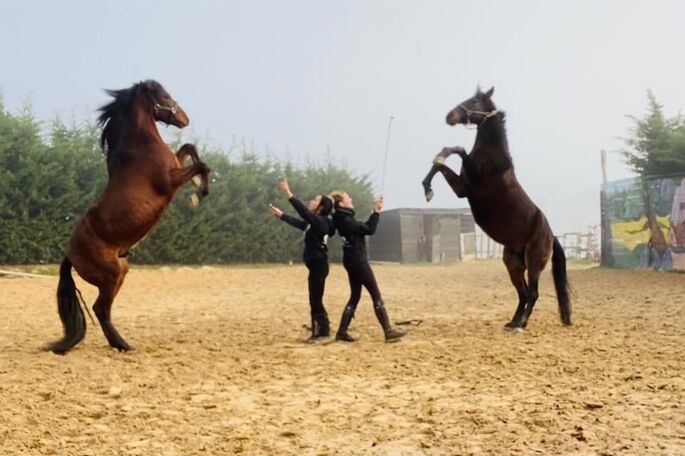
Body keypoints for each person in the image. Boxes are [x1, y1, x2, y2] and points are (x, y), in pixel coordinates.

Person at [329, 191, 405, 343]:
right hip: (359, 261)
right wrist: (376, 212)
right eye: (347, 198)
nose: (351, 199)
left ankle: (342, 332)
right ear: (341, 203)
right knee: (375, 294)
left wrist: (375, 211)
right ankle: (388, 331)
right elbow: (369, 229)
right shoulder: (347, 220)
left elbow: (364, 227)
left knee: (355, 296)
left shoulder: (341, 218)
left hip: (351, 260)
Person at [270, 179, 335, 343]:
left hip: (319, 266)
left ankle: (321, 333)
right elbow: (301, 223)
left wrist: (288, 194)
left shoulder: (320, 221)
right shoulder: (315, 222)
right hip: (316, 266)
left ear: (320, 207)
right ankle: (321, 329)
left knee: (315, 300)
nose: (311, 201)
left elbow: (303, 212)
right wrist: (282, 216)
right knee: (315, 299)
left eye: (315, 200)